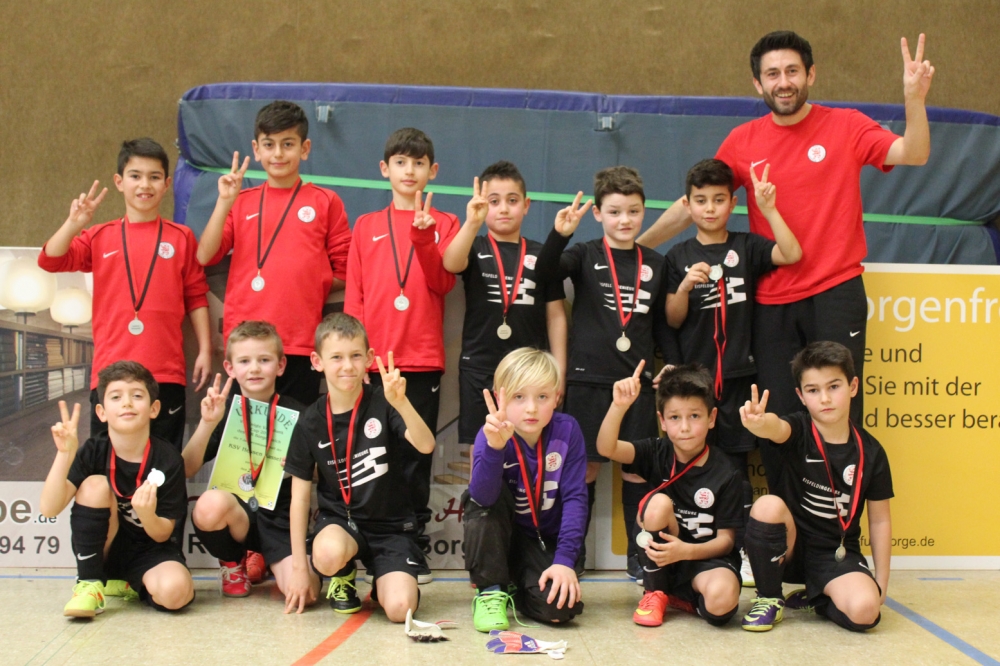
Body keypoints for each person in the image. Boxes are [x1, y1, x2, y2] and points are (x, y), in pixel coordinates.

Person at [638, 31, 934, 475]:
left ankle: (841, 514)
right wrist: (636, 249)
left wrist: (914, 98)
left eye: (792, 71)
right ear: (758, 84)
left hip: (835, 292)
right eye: (772, 74)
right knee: (773, 416)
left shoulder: (847, 125)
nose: (783, 82)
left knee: (838, 410)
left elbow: (913, 153)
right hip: (772, 302)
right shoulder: (743, 140)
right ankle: (783, 517)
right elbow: (697, 202)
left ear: (810, 74)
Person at [664, 158, 801, 584]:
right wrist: (684, 286)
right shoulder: (678, 256)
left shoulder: (747, 246)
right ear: (688, 204)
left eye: (719, 200)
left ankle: (740, 550)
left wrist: (770, 209)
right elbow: (671, 318)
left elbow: (792, 253)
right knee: (693, 464)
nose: (710, 208)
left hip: (741, 381)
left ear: (733, 203)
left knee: (737, 471)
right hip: (696, 386)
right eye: (701, 200)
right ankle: (688, 548)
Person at [535, 166, 675, 582]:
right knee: (585, 469)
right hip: (586, 380)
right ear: (597, 213)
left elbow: (662, 326)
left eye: (633, 211)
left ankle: (639, 554)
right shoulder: (583, 254)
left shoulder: (657, 263)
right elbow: (542, 275)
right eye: (614, 212)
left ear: (644, 211)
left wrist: (670, 363)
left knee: (637, 469)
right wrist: (559, 234)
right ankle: (571, 552)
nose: (624, 220)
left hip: (636, 385)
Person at [38, 138, 211, 450]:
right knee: (106, 465)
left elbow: (196, 297)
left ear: (166, 184)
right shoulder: (99, 236)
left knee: (164, 463)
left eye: (154, 177)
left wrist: (205, 349)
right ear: (119, 182)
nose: (144, 185)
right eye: (135, 176)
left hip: (165, 374)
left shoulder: (181, 238)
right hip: (111, 375)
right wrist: (73, 223)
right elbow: (50, 260)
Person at [344, 128, 460, 582]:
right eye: (400, 162)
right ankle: (372, 542)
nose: (409, 171)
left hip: (421, 358)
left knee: (415, 457)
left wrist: (425, 238)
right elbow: (354, 296)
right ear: (384, 169)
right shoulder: (365, 226)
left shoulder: (445, 221)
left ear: (433, 171)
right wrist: (354, 358)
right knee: (373, 455)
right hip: (373, 363)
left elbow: (443, 282)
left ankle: (413, 542)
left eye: (418, 163)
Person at [197, 100, 351, 407]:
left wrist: (310, 283)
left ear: (305, 149)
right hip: (246, 346)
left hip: (300, 341)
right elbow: (205, 256)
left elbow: (345, 269)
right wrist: (223, 202)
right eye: (269, 144)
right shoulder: (240, 201)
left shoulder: (325, 201)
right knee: (245, 431)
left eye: (287, 144)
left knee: (296, 430)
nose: (278, 153)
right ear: (256, 149)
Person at [282, 313, 436, 620]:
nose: (347, 366)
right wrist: (299, 567)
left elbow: (426, 445)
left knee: (400, 610)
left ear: (368, 358)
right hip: (341, 523)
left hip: (390, 528)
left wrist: (401, 403)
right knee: (326, 555)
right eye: (336, 357)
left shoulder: (385, 402)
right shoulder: (309, 421)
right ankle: (343, 574)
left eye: (355, 356)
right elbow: (298, 499)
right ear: (317, 361)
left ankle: (384, 580)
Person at [739, 341, 893, 632]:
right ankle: (769, 598)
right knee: (767, 505)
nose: (825, 398)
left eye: (834, 386)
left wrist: (881, 583)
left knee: (866, 612)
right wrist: (759, 424)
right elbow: (776, 427)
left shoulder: (872, 452)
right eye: (813, 390)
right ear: (801, 395)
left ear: (853, 386)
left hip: (836, 555)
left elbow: (880, 520)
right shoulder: (798, 430)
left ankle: (818, 598)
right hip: (790, 548)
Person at [40, 361, 194, 617]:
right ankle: (90, 583)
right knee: (95, 484)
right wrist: (64, 454)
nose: (127, 403)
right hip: (104, 550)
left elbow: (162, 534)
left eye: (137, 395)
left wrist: (147, 514)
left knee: (176, 593)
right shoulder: (93, 450)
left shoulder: (168, 459)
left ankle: (131, 584)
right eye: (116, 397)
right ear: (101, 412)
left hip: (151, 551)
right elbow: (49, 508)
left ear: (154, 408)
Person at [182, 321, 319, 602]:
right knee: (209, 505)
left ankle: (272, 559)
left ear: (280, 365)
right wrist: (207, 424)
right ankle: (234, 562)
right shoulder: (223, 411)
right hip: (239, 516)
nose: (254, 368)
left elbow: (321, 475)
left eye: (264, 360)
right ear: (230, 368)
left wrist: (299, 464)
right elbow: (187, 467)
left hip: (281, 523)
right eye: (244, 361)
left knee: (307, 594)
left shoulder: (301, 415)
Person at [597, 363, 743, 627]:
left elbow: (726, 542)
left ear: (711, 418)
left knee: (721, 604)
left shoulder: (727, 472)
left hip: (705, 558)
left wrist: (686, 551)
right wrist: (618, 407)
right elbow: (607, 448)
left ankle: (682, 599)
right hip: (663, 559)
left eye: (694, 416)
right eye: (675, 417)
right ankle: (656, 591)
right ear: (662, 421)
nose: (684, 427)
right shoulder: (656, 451)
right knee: (657, 504)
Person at [442, 160, 568, 451]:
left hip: (530, 371)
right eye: (493, 201)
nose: (503, 209)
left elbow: (556, 316)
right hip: (480, 366)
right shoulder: (475, 246)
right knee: (480, 449)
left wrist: (559, 371)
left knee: (528, 449)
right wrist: (472, 222)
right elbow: (450, 263)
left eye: (512, 201)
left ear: (526, 205)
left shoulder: (543, 254)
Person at [464, 348, 587, 631]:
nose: (531, 408)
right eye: (519, 397)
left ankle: (516, 585)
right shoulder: (490, 433)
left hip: (540, 541)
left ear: (556, 397)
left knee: (558, 610)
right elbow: (481, 499)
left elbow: (575, 499)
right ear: (500, 398)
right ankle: (490, 590)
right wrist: (495, 448)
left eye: (542, 397)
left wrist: (564, 561)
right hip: (499, 538)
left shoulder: (568, 431)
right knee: (478, 500)